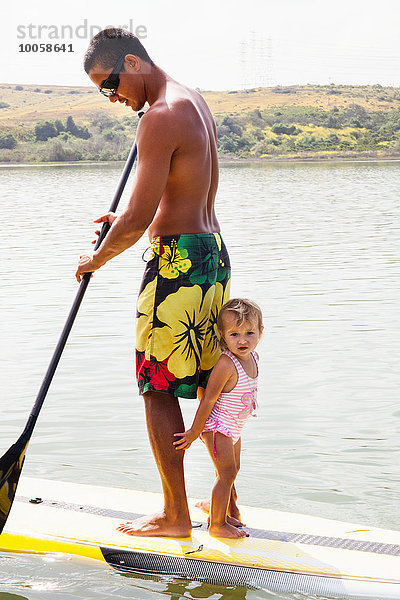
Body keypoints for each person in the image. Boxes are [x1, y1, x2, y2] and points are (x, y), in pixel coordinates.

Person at [75, 28, 231, 537]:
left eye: (110, 84)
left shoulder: (159, 117)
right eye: (104, 90)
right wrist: (119, 222)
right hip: (211, 255)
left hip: (175, 263)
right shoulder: (192, 101)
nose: (113, 97)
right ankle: (226, 508)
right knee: (206, 383)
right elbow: (171, 194)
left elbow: (141, 217)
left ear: (132, 63)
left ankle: (176, 516)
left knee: (158, 389)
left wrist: (97, 257)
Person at [173, 299, 263, 539]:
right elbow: (208, 400)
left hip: (234, 427)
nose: (242, 340)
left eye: (249, 333)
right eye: (234, 334)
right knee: (226, 473)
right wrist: (194, 431)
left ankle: (215, 507)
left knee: (233, 470)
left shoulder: (253, 358)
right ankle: (217, 525)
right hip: (216, 427)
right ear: (223, 336)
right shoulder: (226, 364)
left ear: (260, 332)